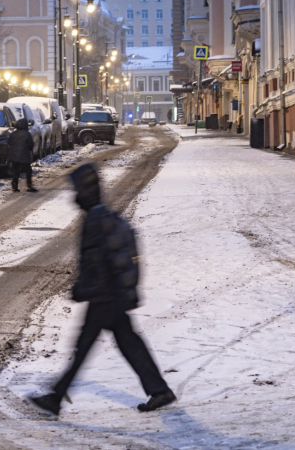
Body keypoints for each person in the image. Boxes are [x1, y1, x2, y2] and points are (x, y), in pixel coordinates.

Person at [30, 163, 176, 416]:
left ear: (86, 191)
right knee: (128, 344)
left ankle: (55, 398)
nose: (74, 195)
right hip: (112, 295)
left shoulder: (95, 220)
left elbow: (95, 263)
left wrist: (82, 289)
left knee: (84, 347)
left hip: (104, 298)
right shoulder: (100, 215)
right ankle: (160, 391)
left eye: (76, 190)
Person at [8, 118, 37, 192]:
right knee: (28, 171)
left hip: (14, 156)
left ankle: (14, 186)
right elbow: (30, 144)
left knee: (15, 171)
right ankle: (29, 185)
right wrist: (29, 150)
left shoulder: (13, 134)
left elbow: (9, 143)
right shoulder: (27, 134)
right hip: (24, 155)